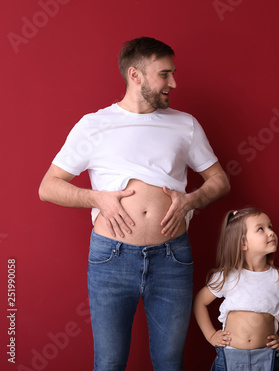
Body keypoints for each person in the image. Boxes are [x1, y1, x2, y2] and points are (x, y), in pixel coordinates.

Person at [38, 36, 230, 371]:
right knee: (109, 362)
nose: (173, 83)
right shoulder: (94, 125)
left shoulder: (185, 124)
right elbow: (48, 187)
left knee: (170, 362)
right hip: (111, 257)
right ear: (135, 75)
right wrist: (95, 197)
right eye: (164, 74)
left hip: (172, 257)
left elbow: (220, 181)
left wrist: (190, 201)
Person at [193, 208, 279, 370]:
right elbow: (200, 302)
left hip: (266, 358)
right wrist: (211, 335)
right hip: (229, 357)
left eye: (270, 227)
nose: (270, 233)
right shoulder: (226, 276)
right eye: (261, 229)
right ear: (242, 243)